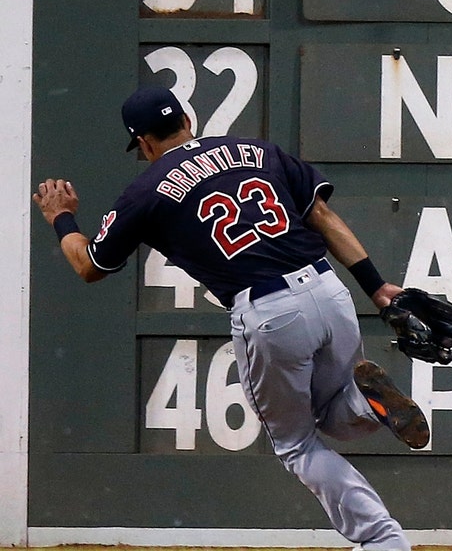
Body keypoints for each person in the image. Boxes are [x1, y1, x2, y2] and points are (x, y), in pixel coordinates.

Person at [33, 86, 430, 551]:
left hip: (270, 311)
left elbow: (89, 265)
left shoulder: (146, 191)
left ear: (143, 142)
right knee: (337, 413)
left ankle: (383, 541)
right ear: (187, 119)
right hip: (328, 289)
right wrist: (376, 288)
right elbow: (321, 214)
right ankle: (369, 402)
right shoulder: (257, 151)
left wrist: (62, 218)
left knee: (297, 446)